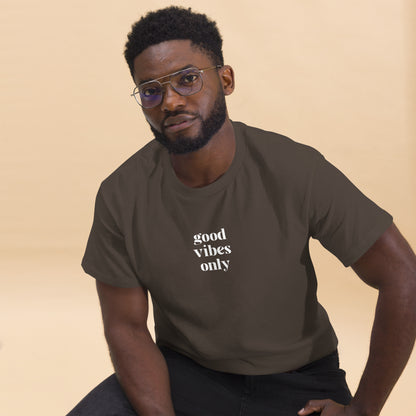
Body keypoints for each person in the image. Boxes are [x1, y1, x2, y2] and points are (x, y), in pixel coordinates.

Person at [67, 6, 416, 416]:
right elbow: (125, 325)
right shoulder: (120, 195)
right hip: (184, 375)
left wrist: (362, 411)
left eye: (187, 79)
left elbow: (402, 275)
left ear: (225, 79)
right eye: (150, 91)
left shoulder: (294, 169)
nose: (171, 101)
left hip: (298, 381)